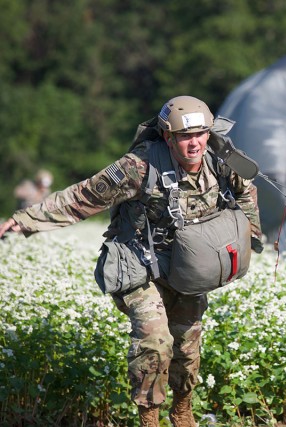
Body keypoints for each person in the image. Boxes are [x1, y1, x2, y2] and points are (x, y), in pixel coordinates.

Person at [0, 95, 263, 427]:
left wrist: (250, 235)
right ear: (168, 136)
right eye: (184, 136)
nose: (194, 143)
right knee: (155, 341)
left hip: (188, 267)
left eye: (200, 134)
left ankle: (183, 411)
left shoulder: (221, 159)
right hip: (138, 264)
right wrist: (25, 220)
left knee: (187, 347)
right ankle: (149, 419)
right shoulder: (138, 167)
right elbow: (82, 196)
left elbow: (246, 190)